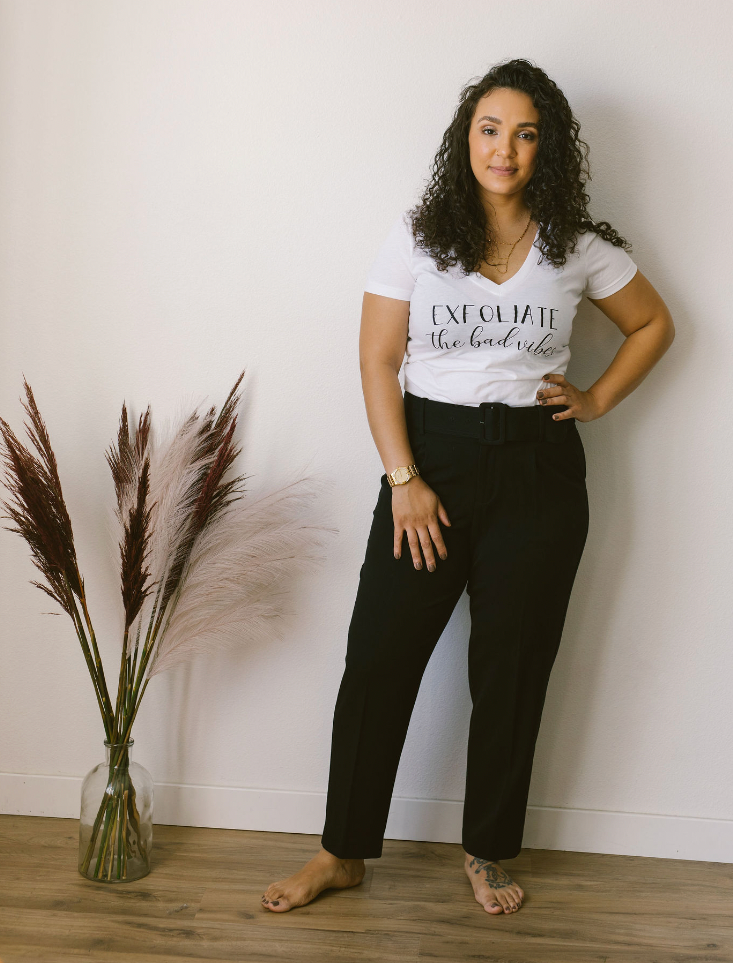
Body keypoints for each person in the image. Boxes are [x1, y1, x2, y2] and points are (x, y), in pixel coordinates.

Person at [262, 58, 675, 916]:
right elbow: (378, 359)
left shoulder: (576, 246)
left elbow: (654, 323)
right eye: (491, 129)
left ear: (546, 148)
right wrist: (403, 478)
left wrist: (596, 397)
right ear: (466, 139)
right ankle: (342, 852)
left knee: (513, 668)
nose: (506, 148)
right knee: (378, 660)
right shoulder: (418, 234)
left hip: (538, 469)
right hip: (431, 463)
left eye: (526, 134)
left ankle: (487, 852)